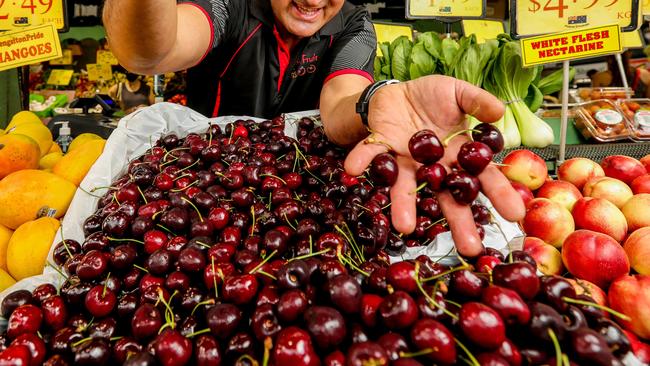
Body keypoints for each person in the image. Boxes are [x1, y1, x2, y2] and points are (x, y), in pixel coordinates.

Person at [102, 0, 525, 257]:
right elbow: (147, 51)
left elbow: (341, 106)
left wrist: (372, 101)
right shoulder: (231, 5)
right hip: (196, 181)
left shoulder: (354, 25)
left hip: (302, 194)